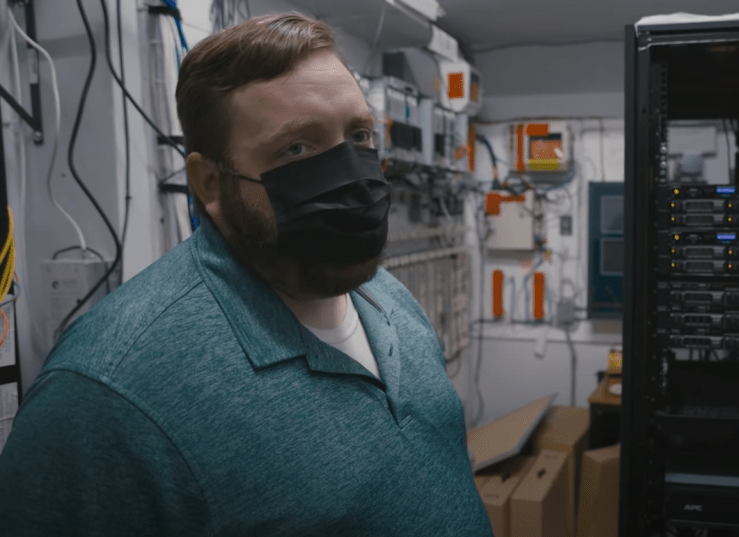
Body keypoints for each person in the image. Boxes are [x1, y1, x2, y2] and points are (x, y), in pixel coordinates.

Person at [0, 12, 493, 537]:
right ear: (209, 182)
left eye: (359, 134)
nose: (351, 173)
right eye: (297, 148)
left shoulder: (390, 300)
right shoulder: (105, 397)